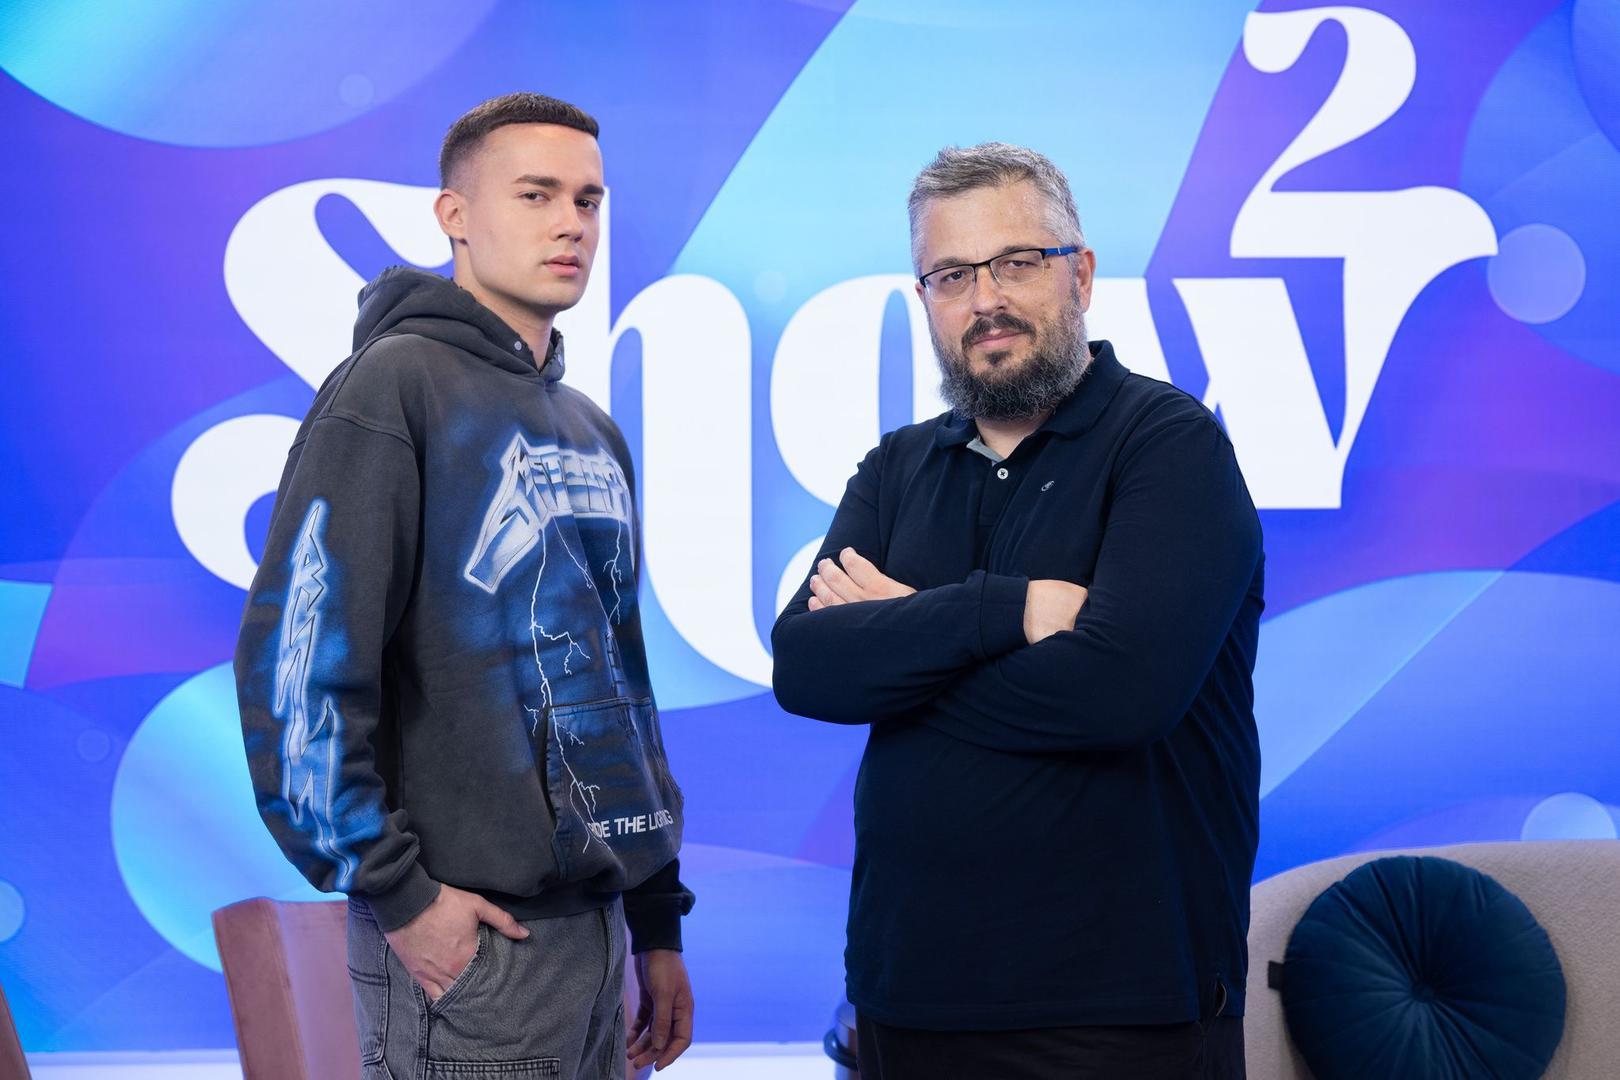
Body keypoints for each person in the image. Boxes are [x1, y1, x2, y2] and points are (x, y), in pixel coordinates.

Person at [772, 142, 1264, 1079]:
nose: (985, 299)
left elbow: (1120, 692)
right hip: (904, 1000)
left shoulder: (1170, 447)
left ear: (1081, 274)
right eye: (953, 275)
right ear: (926, 299)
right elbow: (806, 667)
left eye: (1016, 262)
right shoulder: (897, 467)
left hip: (1119, 1012)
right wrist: (1009, 611)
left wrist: (904, 640)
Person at [236, 92, 694, 1079]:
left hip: (598, 935)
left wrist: (656, 918)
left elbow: (620, 690)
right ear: (454, 215)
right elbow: (298, 665)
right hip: (472, 946)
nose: (571, 223)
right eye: (536, 194)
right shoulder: (392, 386)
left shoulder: (592, 429)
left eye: (588, 200)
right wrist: (401, 896)